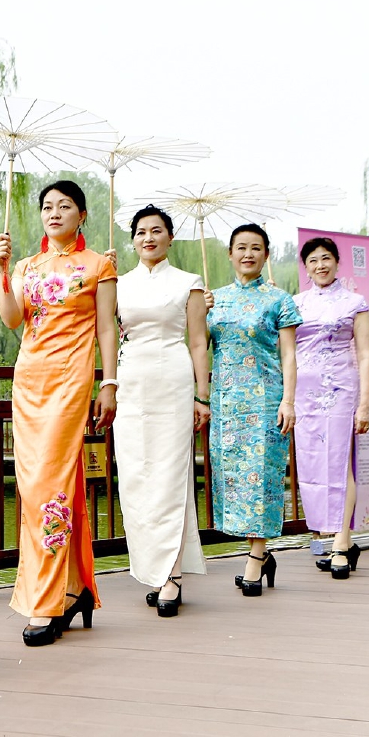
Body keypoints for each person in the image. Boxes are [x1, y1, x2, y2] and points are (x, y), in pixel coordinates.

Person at [0, 180, 117, 646]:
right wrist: (3, 270)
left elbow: (107, 328)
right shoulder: (28, 265)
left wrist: (109, 383)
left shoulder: (99, 265)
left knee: (48, 483)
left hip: (69, 381)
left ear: (82, 215)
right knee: (39, 487)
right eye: (47, 206)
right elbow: (11, 318)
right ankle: (75, 587)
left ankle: (44, 601)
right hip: (29, 380)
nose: (54, 213)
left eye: (65, 206)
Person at [111, 206, 209, 617]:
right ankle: (152, 568)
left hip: (173, 380)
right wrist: (104, 280)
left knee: (171, 476)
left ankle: (172, 574)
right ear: (133, 239)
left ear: (170, 237)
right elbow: (105, 331)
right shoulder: (117, 283)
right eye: (141, 232)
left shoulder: (189, 282)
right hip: (130, 383)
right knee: (136, 477)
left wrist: (202, 396)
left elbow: (198, 342)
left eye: (156, 231)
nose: (148, 238)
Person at [206, 223, 301, 597]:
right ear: (230, 254)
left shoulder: (280, 299)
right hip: (226, 404)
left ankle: (255, 559)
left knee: (261, 477)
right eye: (241, 247)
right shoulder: (214, 299)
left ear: (266, 255)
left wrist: (288, 400)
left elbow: (289, 355)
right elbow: (198, 345)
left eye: (256, 248)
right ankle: (261, 555)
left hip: (265, 401)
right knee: (234, 479)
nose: (248, 254)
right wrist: (199, 313)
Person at [292, 237, 369, 579]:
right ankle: (333, 537)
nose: (320, 265)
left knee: (340, 463)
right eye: (313, 260)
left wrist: (364, 404)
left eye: (326, 258)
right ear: (306, 267)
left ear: (337, 262)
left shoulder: (355, 302)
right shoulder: (295, 303)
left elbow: (365, 355)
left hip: (339, 389)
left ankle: (341, 543)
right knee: (311, 462)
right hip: (303, 393)